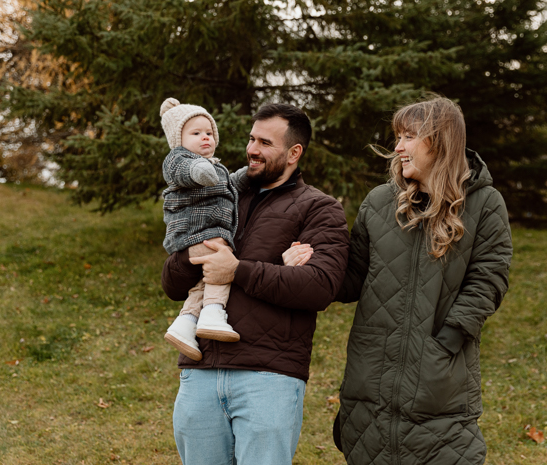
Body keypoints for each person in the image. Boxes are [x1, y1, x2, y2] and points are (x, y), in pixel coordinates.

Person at [160, 103, 349, 465]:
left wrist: (237, 270)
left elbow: (319, 286)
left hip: (269, 377)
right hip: (200, 372)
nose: (251, 150)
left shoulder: (319, 209)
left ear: (294, 153)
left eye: (265, 142)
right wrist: (193, 254)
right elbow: (171, 284)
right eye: (251, 138)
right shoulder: (219, 192)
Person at [335, 96, 512, 464]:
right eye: (397, 137)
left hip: (440, 385)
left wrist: (447, 340)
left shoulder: (484, 203)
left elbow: (489, 278)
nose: (398, 147)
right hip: (371, 380)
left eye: (409, 136)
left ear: (441, 141)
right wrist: (314, 255)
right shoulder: (379, 202)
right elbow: (350, 279)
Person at [159, 97, 249, 361]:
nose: (205, 138)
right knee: (223, 263)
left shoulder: (215, 166)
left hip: (201, 234)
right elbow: (186, 171)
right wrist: (200, 168)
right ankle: (213, 313)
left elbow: (226, 185)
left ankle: (185, 324)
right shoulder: (178, 158)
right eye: (196, 133)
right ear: (179, 139)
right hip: (196, 233)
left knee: (203, 280)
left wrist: (243, 176)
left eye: (209, 133)